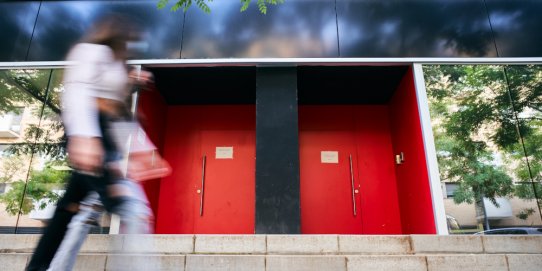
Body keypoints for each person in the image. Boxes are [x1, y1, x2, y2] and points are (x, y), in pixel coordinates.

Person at [25, 14, 169, 271]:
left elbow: (121, 114)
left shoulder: (119, 67)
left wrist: (144, 152)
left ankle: (39, 267)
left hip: (104, 137)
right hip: (90, 133)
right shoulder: (90, 51)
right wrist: (84, 137)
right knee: (130, 206)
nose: (134, 46)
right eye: (131, 40)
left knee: (69, 211)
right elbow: (78, 91)